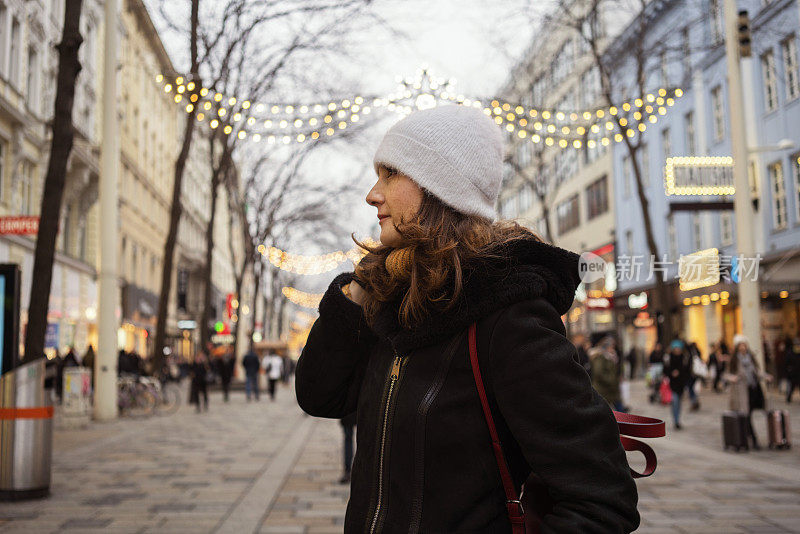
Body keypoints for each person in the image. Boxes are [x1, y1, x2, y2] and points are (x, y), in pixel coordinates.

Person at [295, 105, 639, 532]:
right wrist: (360, 289)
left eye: (391, 175)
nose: (372, 194)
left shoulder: (510, 318)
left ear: (439, 190)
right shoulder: (392, 301)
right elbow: (319, 396)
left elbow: (603, 500)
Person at [724, 334, 772, 449]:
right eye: (740, 345)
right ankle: (753, 440)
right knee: (747, 415)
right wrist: (732, 378)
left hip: (754, 390)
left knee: (751, 414)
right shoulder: (734, 359)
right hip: (741, 392)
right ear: (737, 347)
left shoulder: (751, 358)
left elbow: (756, 372)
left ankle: (749, 439)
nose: (743, 348)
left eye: (744, 345)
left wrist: (766, 376)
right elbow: (726, 374)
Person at [590, 336, 624, 412]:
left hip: (610, 390)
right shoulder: (600, 357)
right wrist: (611, 380)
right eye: (612, 346)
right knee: (605, 410)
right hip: (604, 389)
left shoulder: (610, 356)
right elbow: (598, 372)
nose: (613, 348)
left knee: (617, 408)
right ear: (607, 347)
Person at [663, 339, 691, 430]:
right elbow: (665, 370)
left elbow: (687, 371)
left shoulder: (684, 358)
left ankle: (677, 419)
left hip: (681, 384)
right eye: (675, 348)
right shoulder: (669, 358)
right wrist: (672, 373)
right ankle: (676, 420)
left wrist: (680, 373)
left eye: (678, 348)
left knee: (679, 403)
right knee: (675, 401)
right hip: (671, 384)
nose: (677, 350)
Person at [339, 411, 357, 484]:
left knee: (348, 439)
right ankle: (348, 471)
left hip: (348, 410)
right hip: (363, 407)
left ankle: (347, 472)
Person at [785, 335, 800, 403]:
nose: (797, 346)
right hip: (793, 372)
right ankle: (788, 398)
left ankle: (789, 398)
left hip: (798, 372)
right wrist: (789, 369)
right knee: (791, 386)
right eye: (796, 344)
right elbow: (787, 362)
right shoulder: (790, 352)